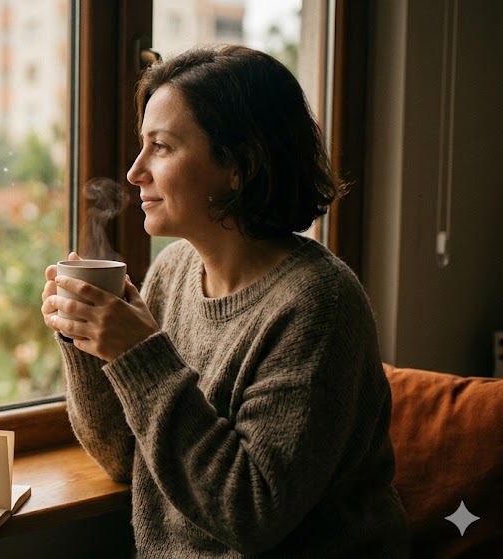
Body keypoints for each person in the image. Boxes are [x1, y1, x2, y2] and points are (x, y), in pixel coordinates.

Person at [41, 45, 409, 557]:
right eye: (141, 146)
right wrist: (87, 340)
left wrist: (139, 356)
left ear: (240, 165)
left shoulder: (319, 305)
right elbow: (127, 459)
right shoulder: (173, 272)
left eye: (161, 147)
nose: (134, 172)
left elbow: (251, 513)